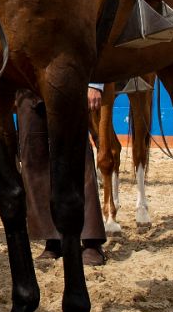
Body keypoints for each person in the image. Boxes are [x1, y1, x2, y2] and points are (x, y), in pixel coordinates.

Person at [19, 88, 109, 266]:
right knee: (33, 159)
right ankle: (52, 239)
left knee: (78, 157)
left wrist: (94, 84)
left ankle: (92, 240)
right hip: (27, 88)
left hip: (65, 81)